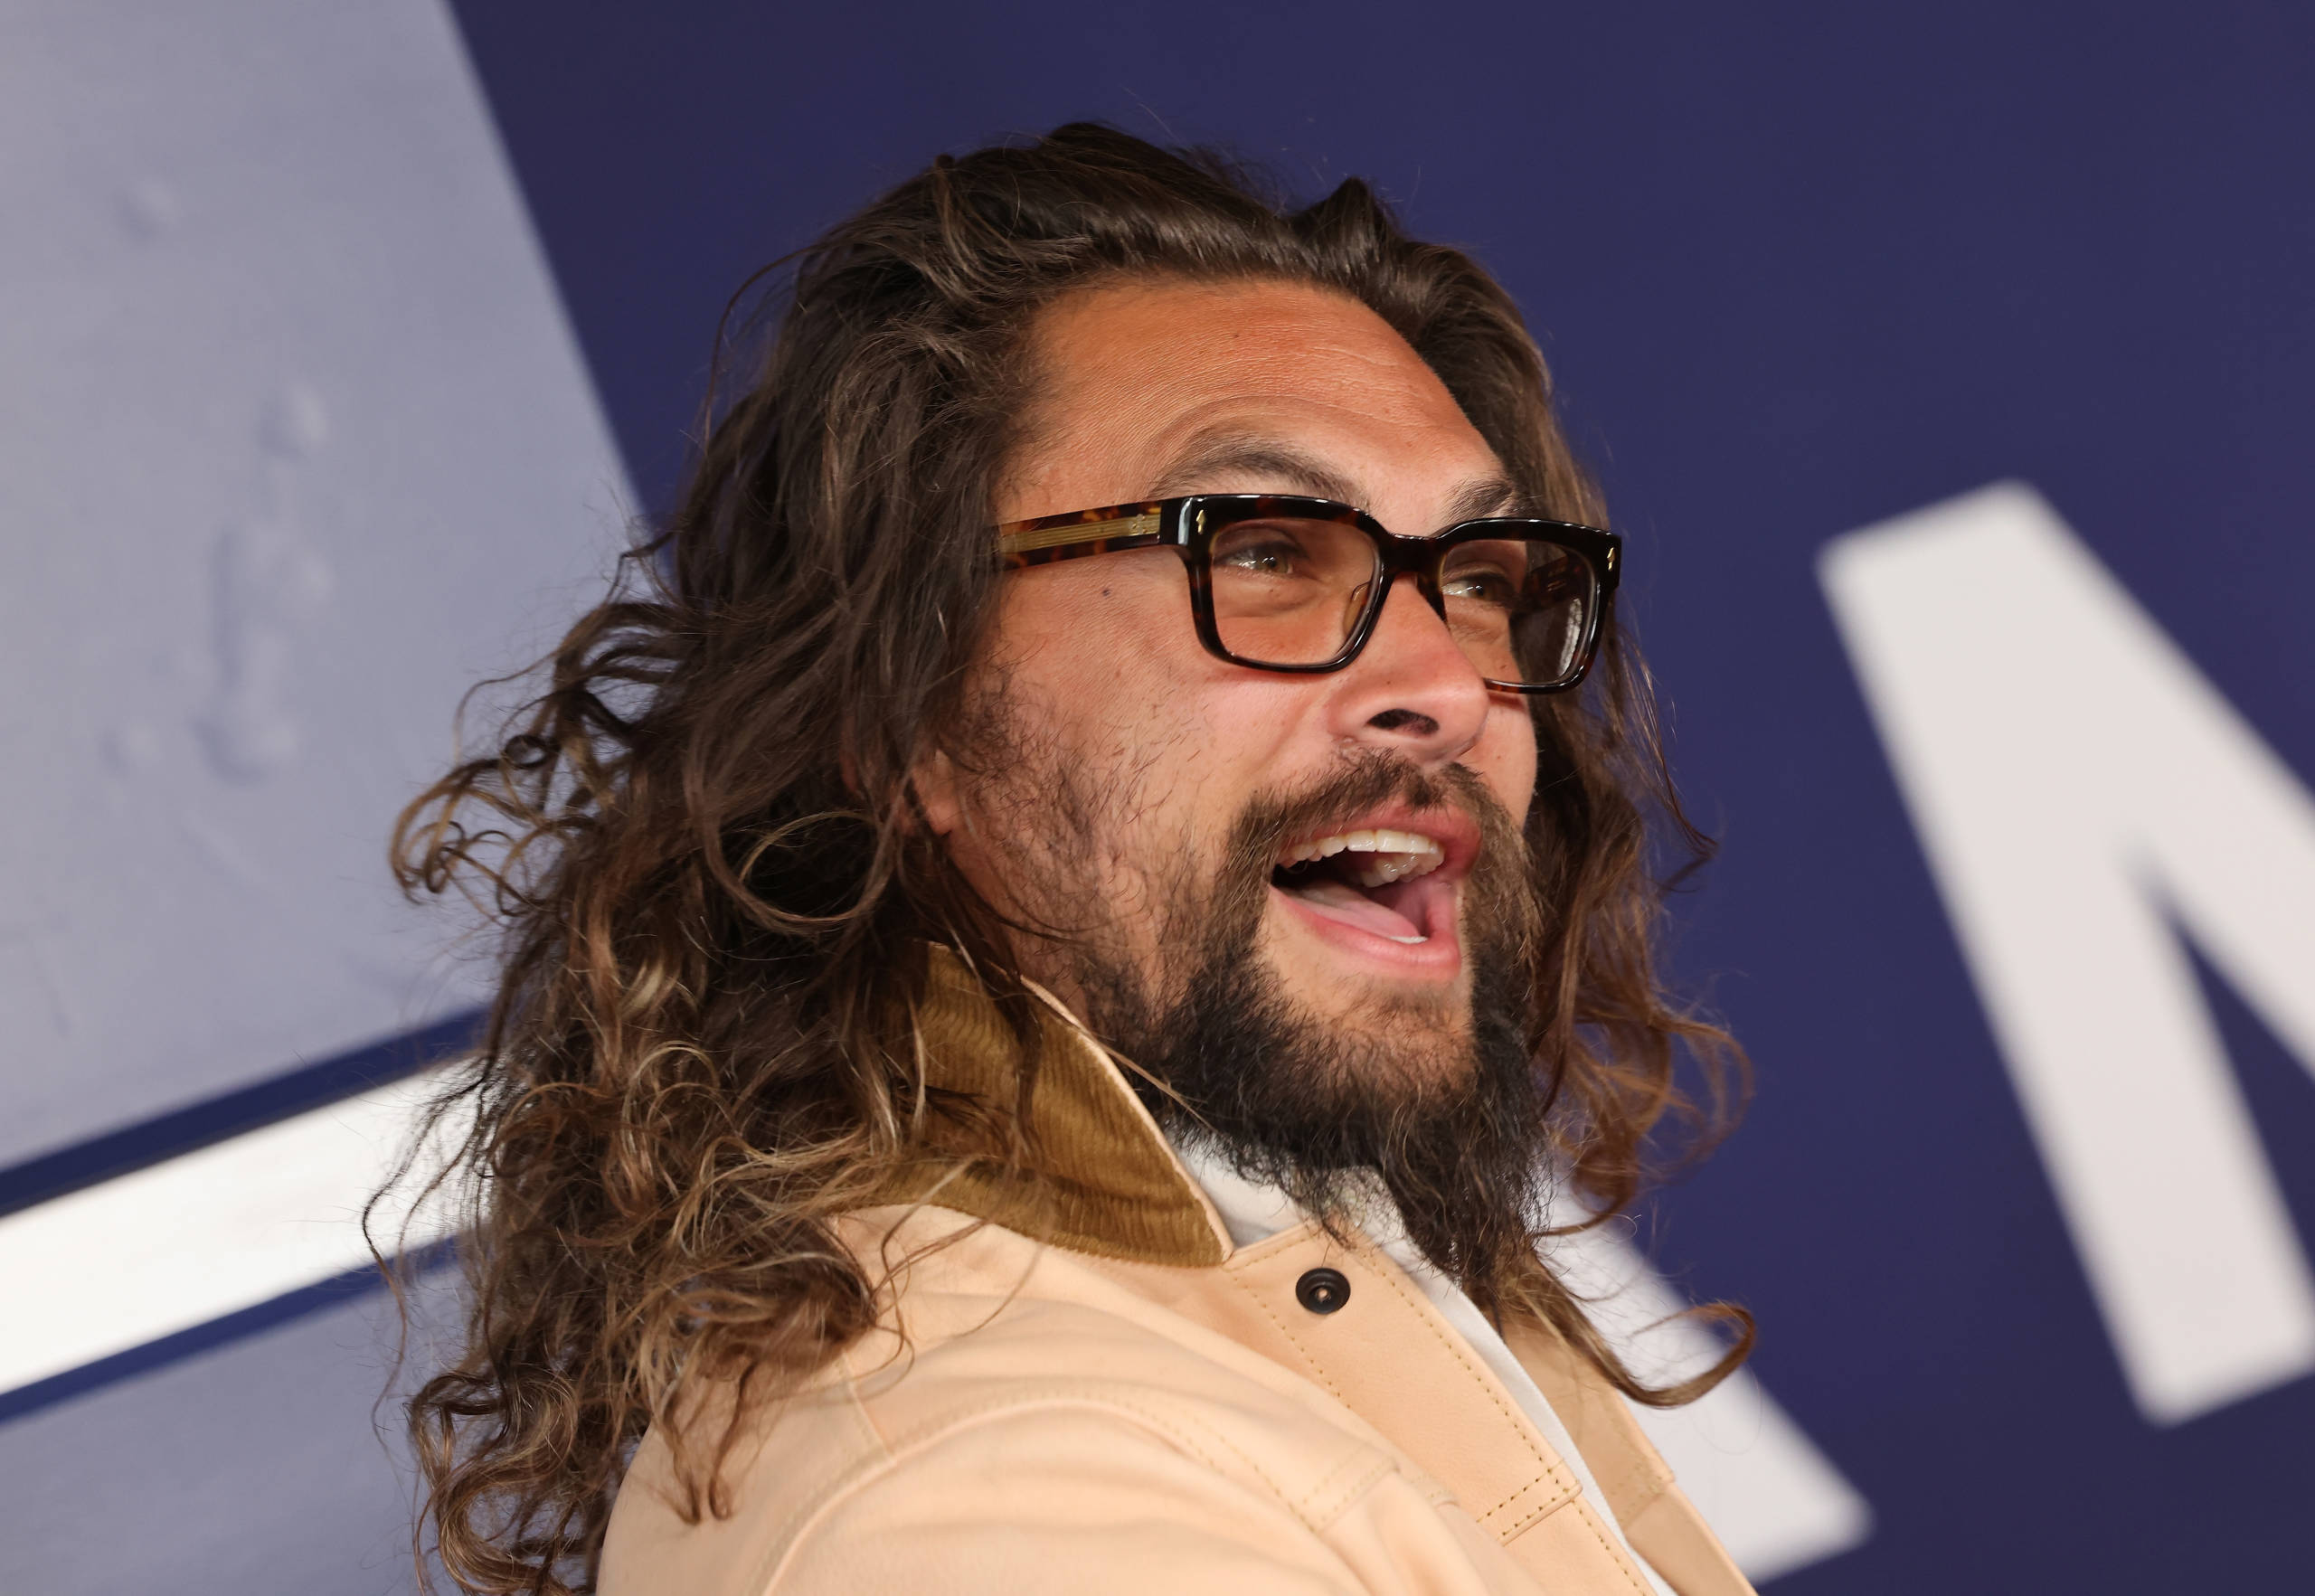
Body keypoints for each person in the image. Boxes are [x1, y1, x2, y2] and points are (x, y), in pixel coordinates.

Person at [394, 122, 1753, 1596]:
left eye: (1478, 577)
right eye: (1262, 551)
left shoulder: (1329, 1243)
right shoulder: (989, 1513)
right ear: (908, 716)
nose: (1444, 680)